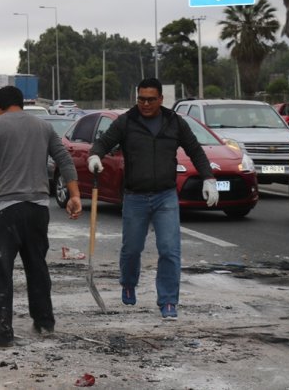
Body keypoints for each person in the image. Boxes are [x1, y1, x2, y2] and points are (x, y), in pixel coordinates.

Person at [88, 77, 219, 320]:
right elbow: (103, 142)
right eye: (141, 99)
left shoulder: (174, 122)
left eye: (150, 99)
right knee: (132, 249)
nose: (145, 104)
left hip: (165, 197)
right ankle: (128, 282)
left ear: (160, 99)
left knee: (170, 250)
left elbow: (195, 151)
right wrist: (94, 156)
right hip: (135, 197)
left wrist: (209, 179)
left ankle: (168, 301)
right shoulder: (127, 121)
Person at [0, 85, 82, 348]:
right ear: (20, 104)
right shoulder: (43, 127)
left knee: (0, 271)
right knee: (37, 267)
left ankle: (1, 334)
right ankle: (44, 323)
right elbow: (64, 161)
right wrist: (75, 195)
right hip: (37, 210)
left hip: (7, 210)